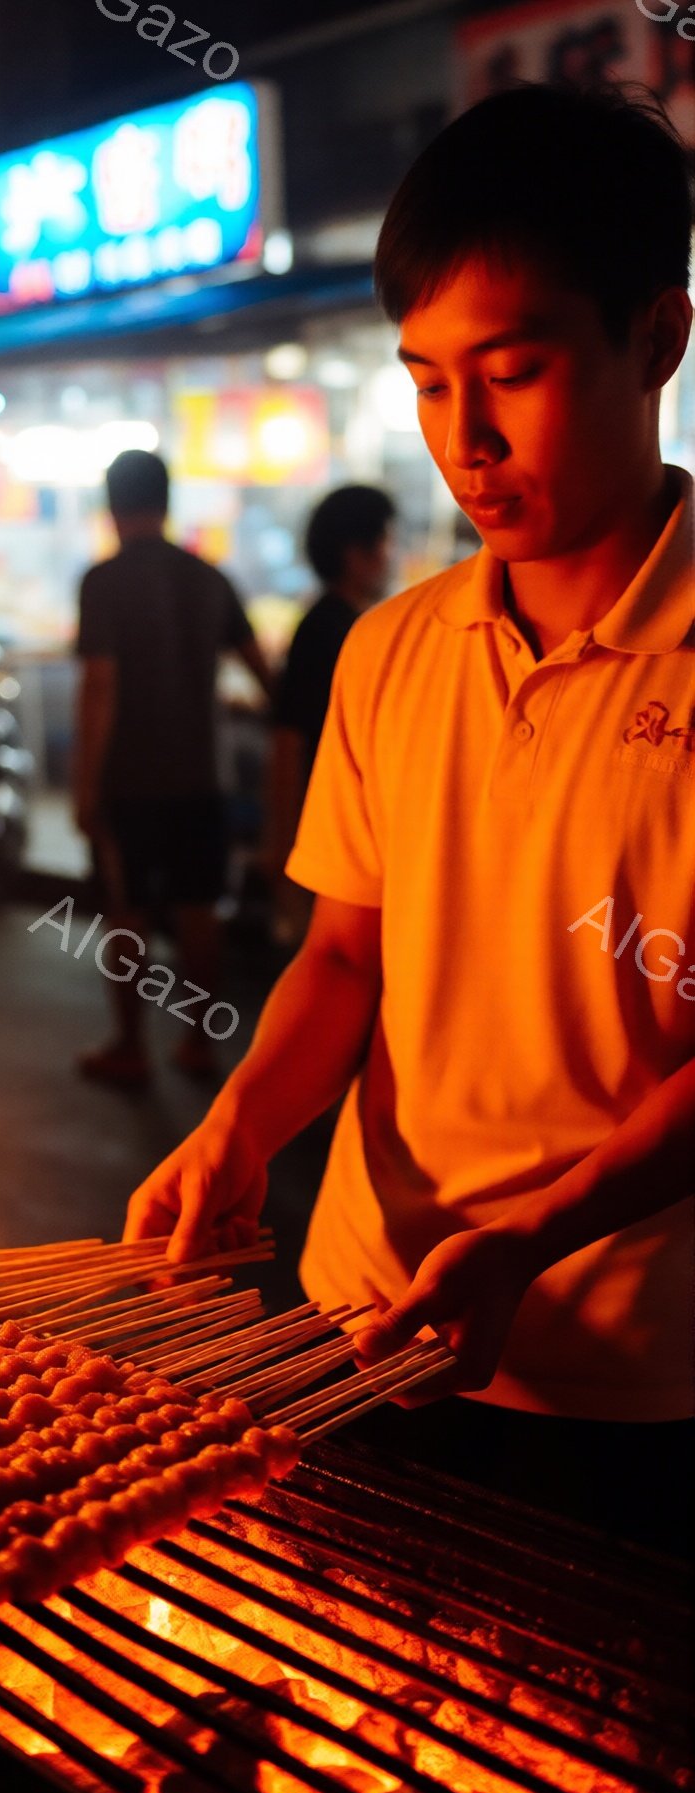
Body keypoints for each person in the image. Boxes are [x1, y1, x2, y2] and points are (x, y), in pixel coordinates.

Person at [124, 85, 695, 1553]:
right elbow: (340, 961)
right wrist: (241, 1126)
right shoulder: (391, 649)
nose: (467, 437)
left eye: (512, 371)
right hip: (362, 1321)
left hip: (625, 1384)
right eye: (430, 382)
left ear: (658, 338)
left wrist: (532, 1241)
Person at [74, 449, 273, 1089]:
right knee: (198, 910)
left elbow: (99, 686)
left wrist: (84, 781)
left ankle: (131, 1048)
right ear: (166, 502)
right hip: (202, 777)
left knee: (128, 911)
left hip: (131, 777)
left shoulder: (102, 582)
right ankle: (197, 1045)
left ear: (112, 505)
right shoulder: (208, 577)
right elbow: (263, 672)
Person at [267, 486, 395, 938]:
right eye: (385, 543)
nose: (390, 557)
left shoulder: (341, 623)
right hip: (327, 831)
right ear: (355, 553)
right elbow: (288, 741)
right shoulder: (333, 630)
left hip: (338, 830)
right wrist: (284, 851)